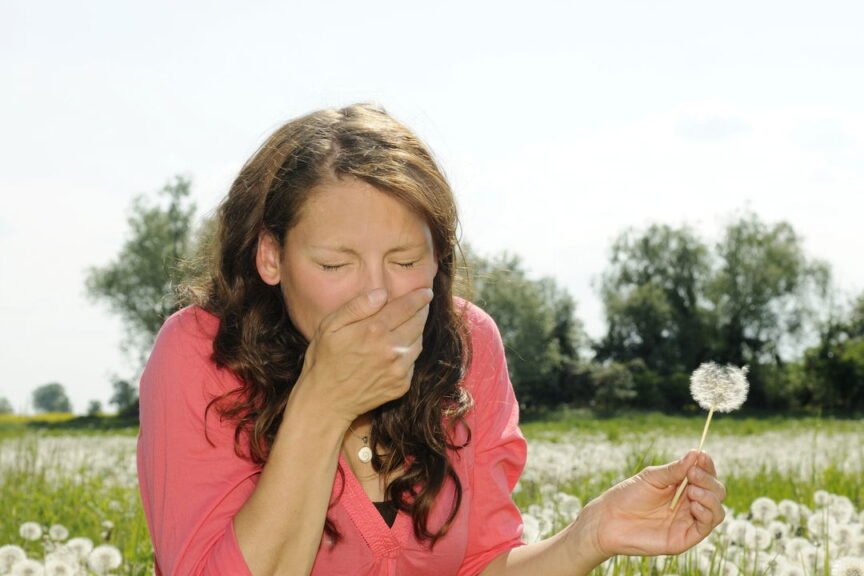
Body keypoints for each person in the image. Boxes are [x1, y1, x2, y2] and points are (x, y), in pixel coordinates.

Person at [136, 103, 727, 576]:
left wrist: (589, 536)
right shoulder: (200, 354)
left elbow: (480, 565)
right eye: (335, 265)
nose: (376, 296)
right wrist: (322, 405)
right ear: (271, 256)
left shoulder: (467, 344)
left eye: (404, 260)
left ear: (439, 256)